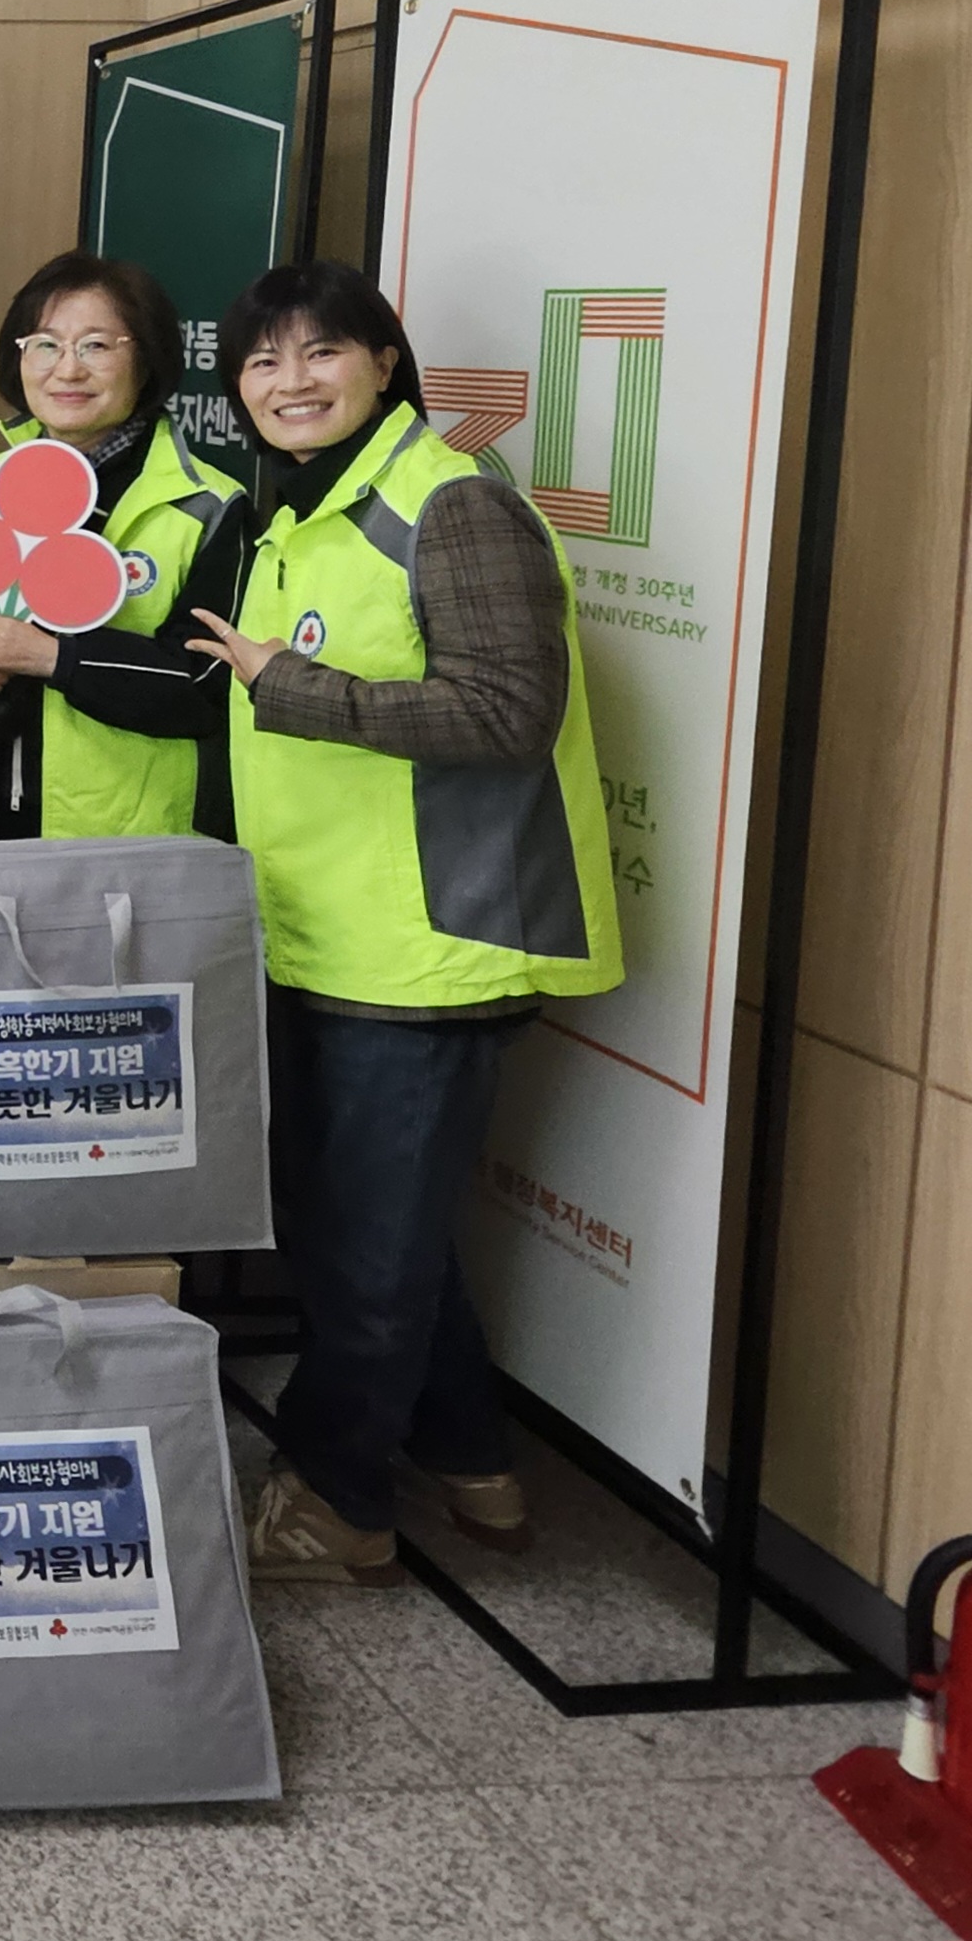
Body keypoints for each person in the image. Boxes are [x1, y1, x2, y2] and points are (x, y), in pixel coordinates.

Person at [176, 260, 623, 1584]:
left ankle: (335, 1497)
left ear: (383, 363)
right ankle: (469, 1455)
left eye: (319, 353)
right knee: (357, 1229)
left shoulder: (452, 504)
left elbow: (502, 713)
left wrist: (290, 686)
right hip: (326, 933)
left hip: (429, 945)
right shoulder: (298, 516)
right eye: (259, 361)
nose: (287, 381)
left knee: (365, 1249)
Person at [0, 252, 248, 842]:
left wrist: (55, 659)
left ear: (146, 359)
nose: (66, 370)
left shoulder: (206, 506)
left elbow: (206, 688)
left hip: (124, 831)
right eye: (45, 344)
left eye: (97, 346)